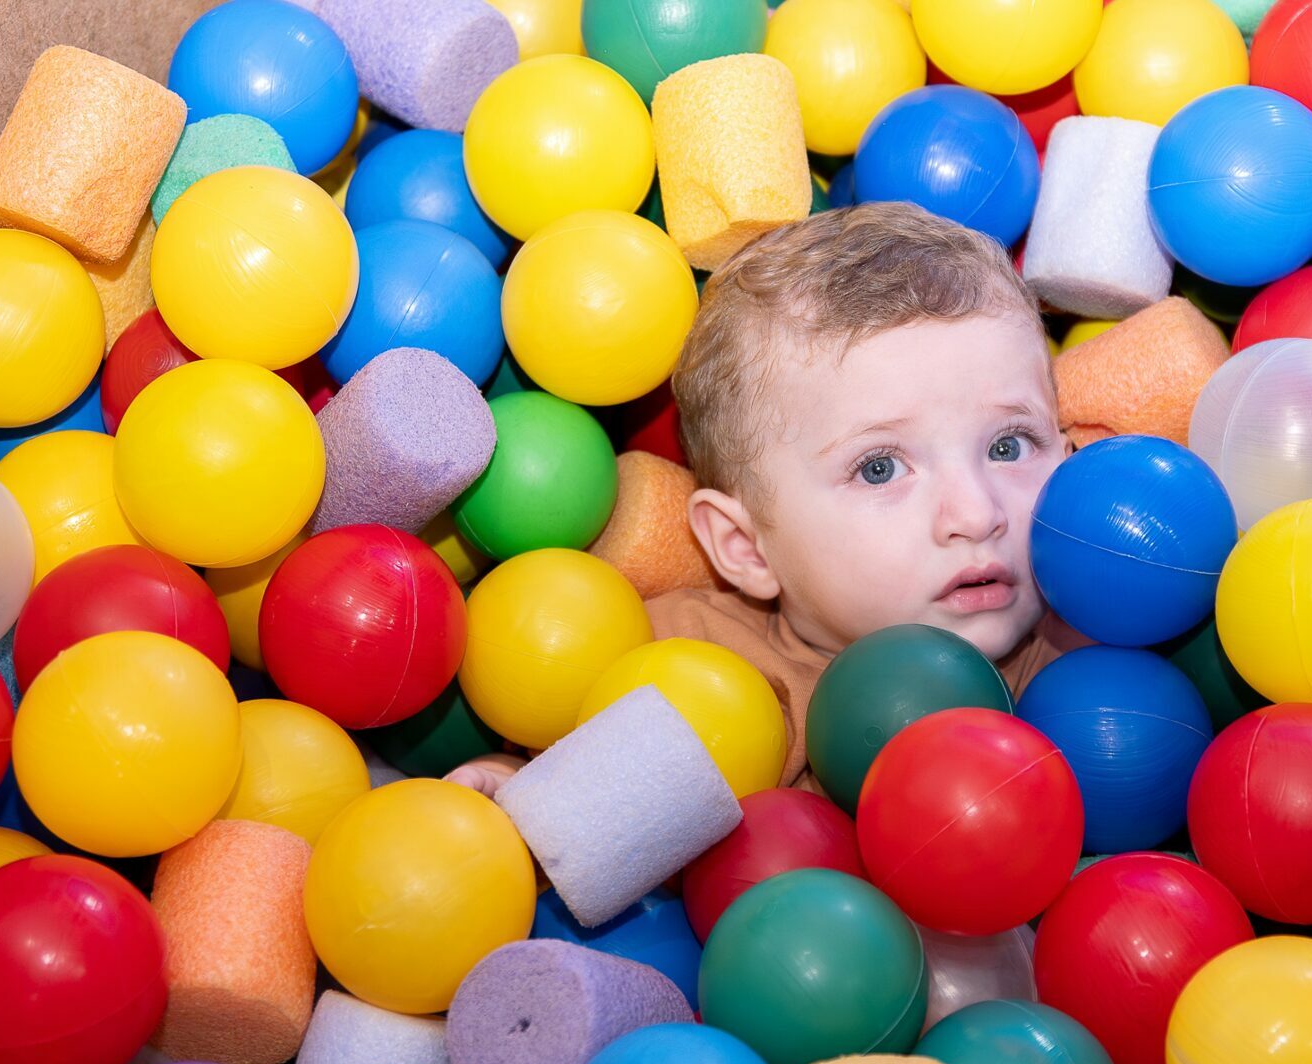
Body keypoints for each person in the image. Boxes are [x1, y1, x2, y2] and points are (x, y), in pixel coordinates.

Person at [447, 201, 1083, 797]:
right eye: (880, 468)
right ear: (745, 548)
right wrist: (513, 788)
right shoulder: (689, 672)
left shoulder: (1104, 633)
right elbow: (573, 797)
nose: (976, 515)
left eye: (1009, 446)